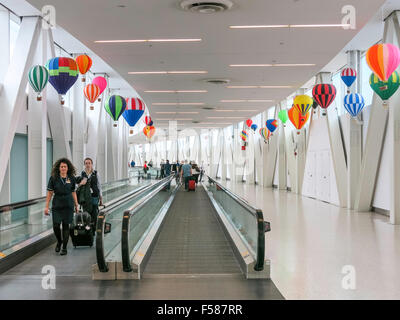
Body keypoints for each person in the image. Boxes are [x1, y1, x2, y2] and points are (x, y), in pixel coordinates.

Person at [44, 158, 79, 256]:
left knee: (66, 226)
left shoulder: (71, 178)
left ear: (68, 168)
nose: (63, 168)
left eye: (65, 166)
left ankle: (64, 248)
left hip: (68, 204)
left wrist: (76, 205)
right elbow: (50, 193)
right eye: (61, 167)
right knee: (56, 225)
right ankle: (59, 241)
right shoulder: (53, 178)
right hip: (57, 204)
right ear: (59, 168)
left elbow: (73, 192)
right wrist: (46, 206)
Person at [76, 158, 103, 235]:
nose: (88, 165)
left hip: (94, 196)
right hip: (85, 197)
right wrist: (81, 183)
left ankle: (94, 229)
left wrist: (101, 198)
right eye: (86, 163)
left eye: (89, 163)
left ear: (92, 164)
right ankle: (88, 228)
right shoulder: (82, 174)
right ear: (84, 164)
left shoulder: (96, 173)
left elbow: (99, 186)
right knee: (86, 213)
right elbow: (78, 185)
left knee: (94, 212)